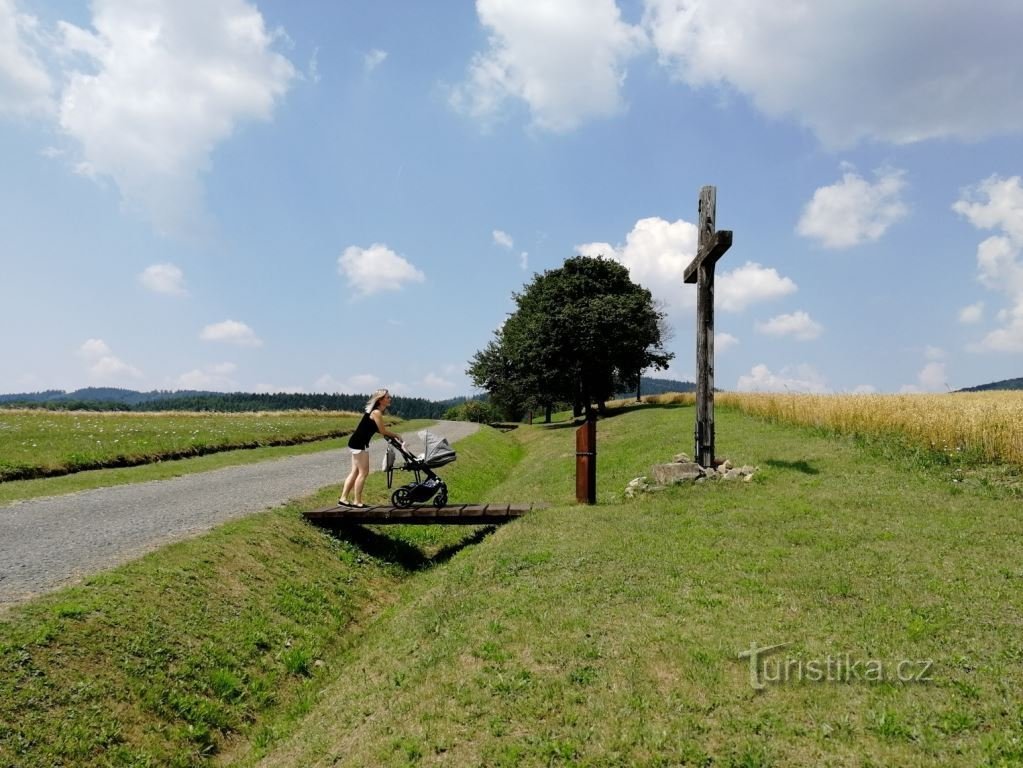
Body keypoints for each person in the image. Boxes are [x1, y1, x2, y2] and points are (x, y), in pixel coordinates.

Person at [338, 388, 403, 508]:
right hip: (359, 444)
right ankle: (357, 502)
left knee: (355, 472)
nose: (390, 399)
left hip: (356, 442)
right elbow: (383, 431)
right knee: (363, 472)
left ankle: (343, 498)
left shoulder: (375, 412)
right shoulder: (376, 412)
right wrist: (396, 435)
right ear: (380, 400)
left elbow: (377, 429)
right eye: (388, 397)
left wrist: (391, 436)